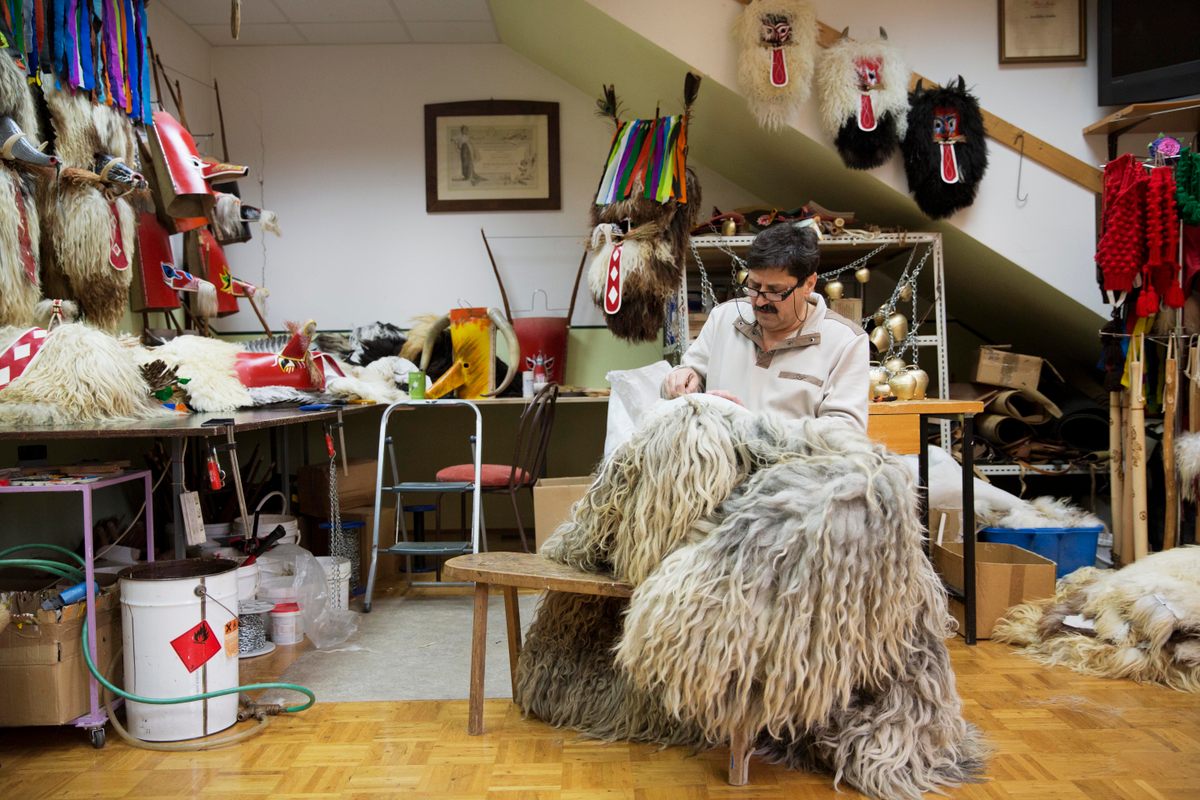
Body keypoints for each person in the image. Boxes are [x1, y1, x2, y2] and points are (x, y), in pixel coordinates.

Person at [662, 221, 869, 429]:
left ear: (808, 284)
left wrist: (755, 429)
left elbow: (846, 431)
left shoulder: (846, 342)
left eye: (774, 290)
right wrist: (681, 380)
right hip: (722, 461)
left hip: (792, 462)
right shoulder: (723, 318)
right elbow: (688, 377)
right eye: (753, 286)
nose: (760, 301)